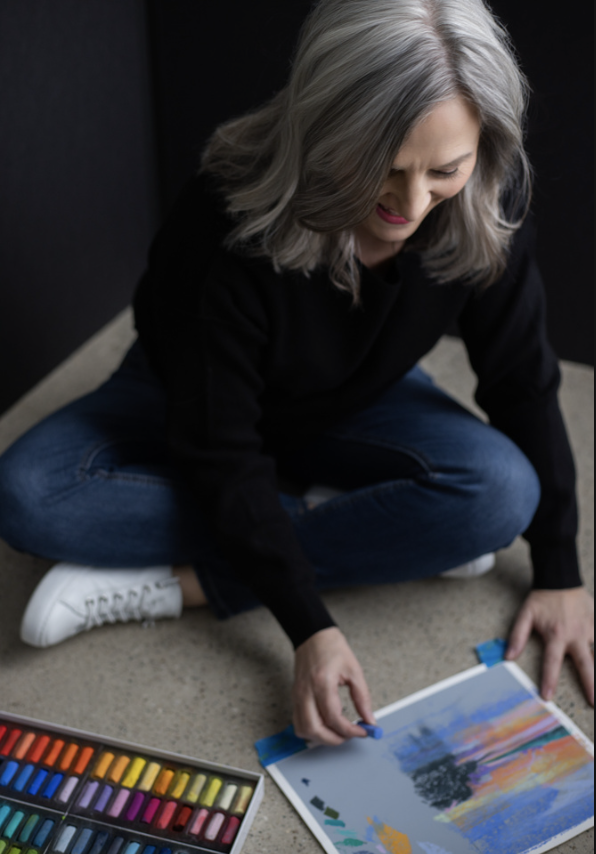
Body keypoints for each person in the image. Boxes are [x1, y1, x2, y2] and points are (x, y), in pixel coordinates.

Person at [0, 0, 592, 745]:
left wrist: (560, 569)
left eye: (444, 169)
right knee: (28, 495)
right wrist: (307, 622)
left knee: (504, 490)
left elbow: (521, 376)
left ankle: (185, 582)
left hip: (356, 399)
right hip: (191, 394)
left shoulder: (485, 194)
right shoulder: (225, 218)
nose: (411, 205)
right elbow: (218, 444)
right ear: (323, 127)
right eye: (382, 168)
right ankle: (349, 520)